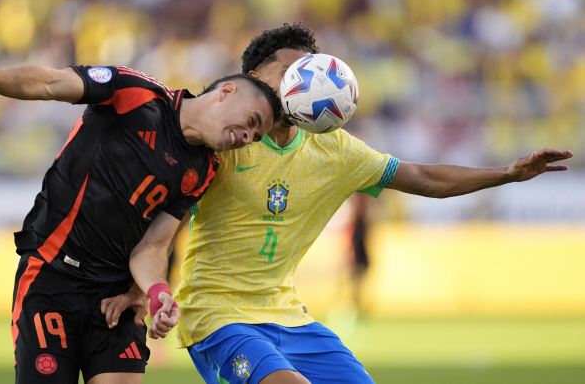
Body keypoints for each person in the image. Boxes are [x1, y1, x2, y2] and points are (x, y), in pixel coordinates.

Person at [147, 23, 570, 384]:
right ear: (253, 76)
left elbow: (423, 177)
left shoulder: (336, 152)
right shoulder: (223, 142)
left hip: (288, 315)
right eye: (289, 71)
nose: (302, 82)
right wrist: (138, 291)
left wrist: (506, 174)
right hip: (217, 316)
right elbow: (153, 223)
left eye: (308, 71)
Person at [0, 59, 280, 384]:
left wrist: (157, 293)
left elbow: (153, 246)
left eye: (256, 136)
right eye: (251, 122)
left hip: (115, 299)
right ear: (226, 92)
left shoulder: (204, 171)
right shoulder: (134, 92)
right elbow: (49, 83)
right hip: (51, 278)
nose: (248, 137)